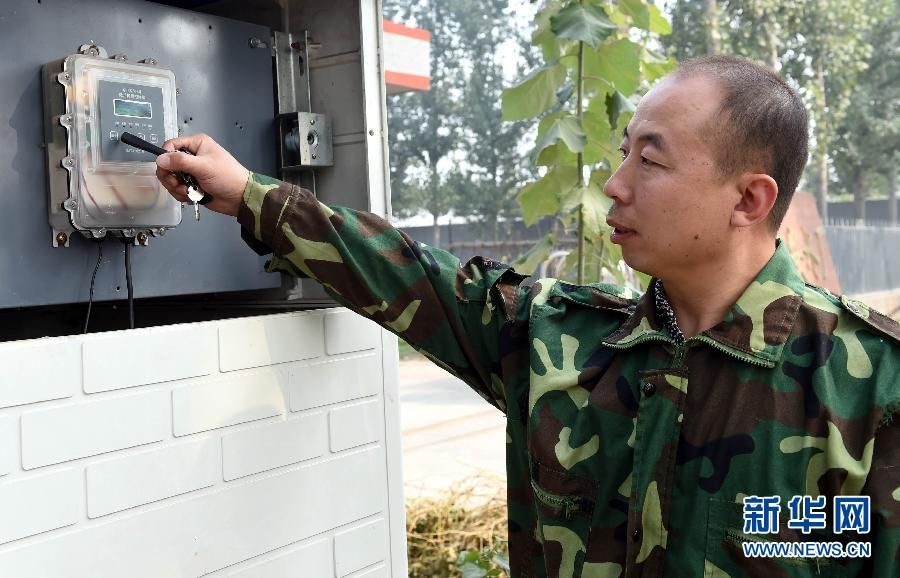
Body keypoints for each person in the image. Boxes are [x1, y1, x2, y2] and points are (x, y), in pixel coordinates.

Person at [156, 56, 899, 577]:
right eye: (622, 154)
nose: (615, 185)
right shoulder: (557, 342)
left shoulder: (870, 390)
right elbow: (410, 274)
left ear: (749, 199)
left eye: (650, 160)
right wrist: (249, 192)